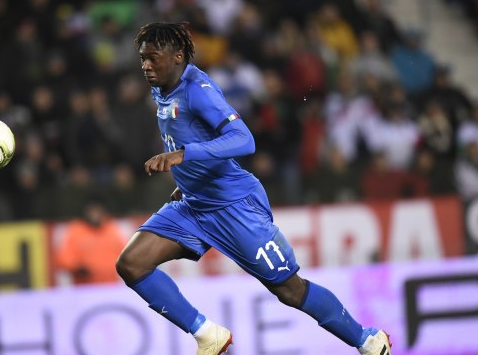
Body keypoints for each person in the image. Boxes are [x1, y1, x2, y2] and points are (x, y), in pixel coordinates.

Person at [115, 22, 392, 355]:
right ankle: (207, 334)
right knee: (131, 264)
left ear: (176, 56)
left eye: (152, 59)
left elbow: (243, 140)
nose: (145, 66)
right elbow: (191, 135)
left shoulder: (198, 90)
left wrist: (182, 156)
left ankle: (367, 340)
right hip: (194, 203)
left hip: (234, 207)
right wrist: (186, 178)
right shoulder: (160, 88)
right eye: (142, 59)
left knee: (290, 290)